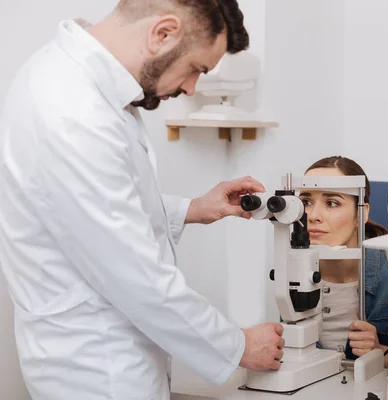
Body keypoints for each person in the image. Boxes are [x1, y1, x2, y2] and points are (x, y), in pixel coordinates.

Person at [0, 2, 284, 400]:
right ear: (162, 33)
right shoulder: (71, 111)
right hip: (96, 370)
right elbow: (137, 275)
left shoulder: (78, 84)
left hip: (110, 358)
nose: (190, 88)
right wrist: (236, 344)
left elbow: (98, 210)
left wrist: (193, 209)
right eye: (197, 69)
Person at [300, 156, 388, 367]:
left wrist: (378, 351)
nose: (313, 216)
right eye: (306, 202)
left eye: (332, 203)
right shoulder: (294, 269)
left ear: (362, 212)